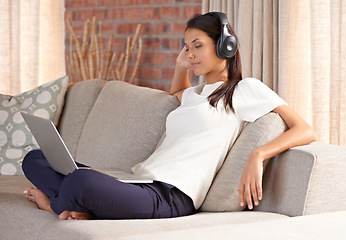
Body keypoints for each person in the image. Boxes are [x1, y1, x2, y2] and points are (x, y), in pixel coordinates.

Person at [23, 12, 316, 220]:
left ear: (226, 47)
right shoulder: (195, 95)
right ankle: (80, 205)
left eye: (197, 46)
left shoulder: (244, 89)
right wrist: (181, 65)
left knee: (79, 183)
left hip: (172, 196)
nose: (190, 54)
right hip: (138, 181)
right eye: (186, 47)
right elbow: (180, 92)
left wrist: (258, 155)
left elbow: (304, 129)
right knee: (34, 158)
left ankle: (56, 205)